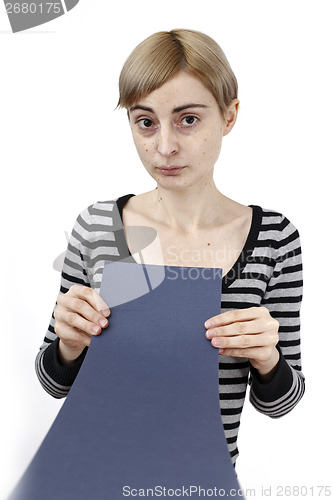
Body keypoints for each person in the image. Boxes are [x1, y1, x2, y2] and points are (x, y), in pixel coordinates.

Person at [35, 29, 305, 466]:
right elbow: (54, 383)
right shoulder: (96, 226)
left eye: (188, 119)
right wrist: (68, 343)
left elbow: (281, 403)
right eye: (146, 122)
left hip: (201, 481)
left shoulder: (275, 238)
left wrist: (268, 357)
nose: (164, 146)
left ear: (230, 115)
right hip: (93, 478)